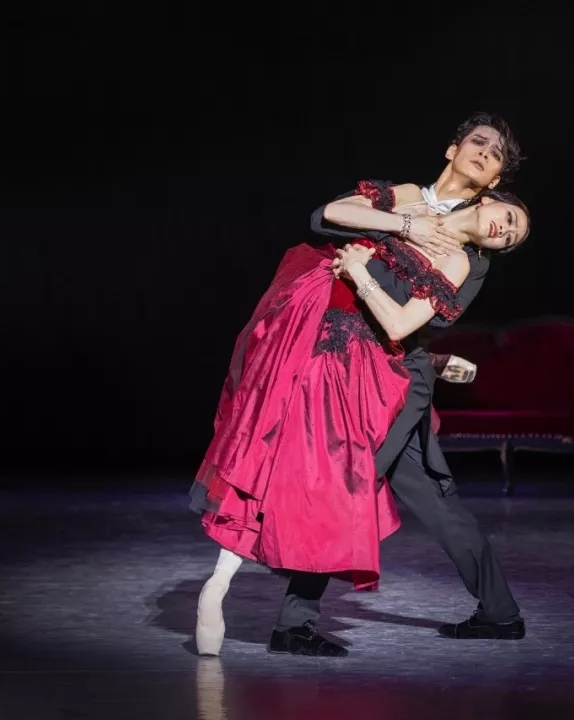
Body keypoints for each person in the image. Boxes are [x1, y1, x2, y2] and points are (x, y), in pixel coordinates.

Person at [190, 115, 529, 657]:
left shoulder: (470, 257)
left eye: (496, 156)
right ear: (453, 149)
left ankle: (294, 623)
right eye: (479, 143)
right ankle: (500, 612)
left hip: (397, 379)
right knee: (425, 497)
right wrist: (405, 225)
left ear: (493, 186)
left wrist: (422, 346)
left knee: (346, 482)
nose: (485, 154)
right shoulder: (407, 198)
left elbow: (409, 325)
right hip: (353, 365)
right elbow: (325, 216)